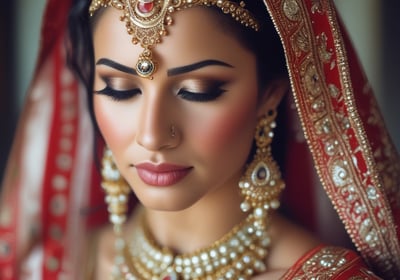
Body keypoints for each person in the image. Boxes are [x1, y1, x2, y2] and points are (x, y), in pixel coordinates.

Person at [0, 0, 399, 279]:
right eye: (120, 89)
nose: (152, 135)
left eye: (198, 90)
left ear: (268, 95)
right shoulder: (54, 267)